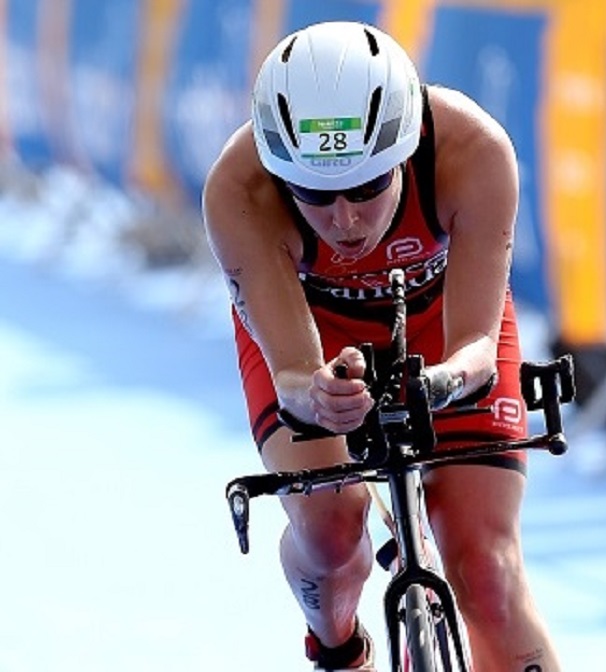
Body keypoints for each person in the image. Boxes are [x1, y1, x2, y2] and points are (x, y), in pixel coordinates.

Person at [203, 20, 561, 672]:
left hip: (442, 328)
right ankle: (335, 644)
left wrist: (446, 380)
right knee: (332, 530)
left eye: (368, 187)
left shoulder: (473, 149)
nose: (344, 219)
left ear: (407, 148)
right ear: (280, 171)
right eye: (314, 192)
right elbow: (289, 371)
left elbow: (478, 343)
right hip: (311, 333)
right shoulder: (238, 189)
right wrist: (316, 392)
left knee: (487, 571)